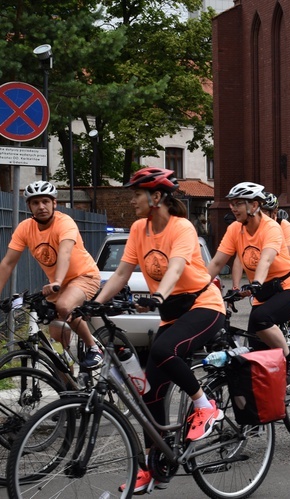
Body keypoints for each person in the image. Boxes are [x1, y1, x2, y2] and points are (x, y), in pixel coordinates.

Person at [92, 168, 226, 493]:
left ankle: (205, 406)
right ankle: (154, 466)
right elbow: (123, 273)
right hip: (171, 316)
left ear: (156, 198)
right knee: (149, 393)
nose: (132, 200)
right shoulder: (139, 228)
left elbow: (177, 266)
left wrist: (158, 295)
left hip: (203, 306)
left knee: (166, 352)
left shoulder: (182, 227)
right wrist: (95, 303)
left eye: (137, 194)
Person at [206, 180, 290, 384]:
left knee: (261, 318)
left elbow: (266, 259)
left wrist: (256, 282)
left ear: (254, 205)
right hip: (264, 293)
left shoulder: (271, 227)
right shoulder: (235, 229)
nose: (233, 208)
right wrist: (196, 287)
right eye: (232, 203)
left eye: (238, 203)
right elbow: (217, 262)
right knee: (255, 352)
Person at [0, 181, 103, 368]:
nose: (41, 207)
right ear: (29, 206)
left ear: (54, 203)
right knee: (57, 344)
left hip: (84, 277)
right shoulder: (25, 228)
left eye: (45, 201)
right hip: (58, 284)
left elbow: (64, 252)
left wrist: (56, 281)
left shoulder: (65, 222)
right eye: (35, 202)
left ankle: (94, 348)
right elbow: (7, 263)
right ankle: (68, 383)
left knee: (64, 306)